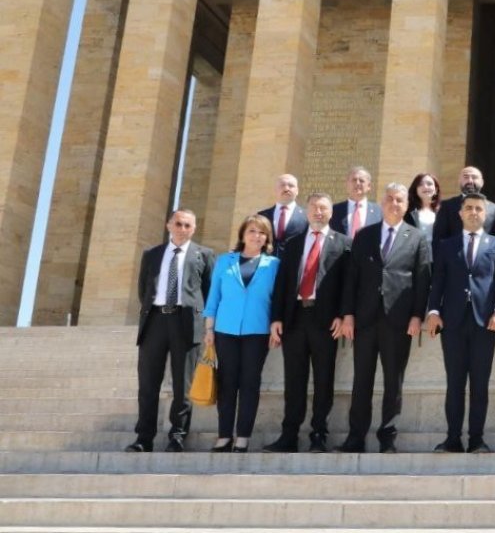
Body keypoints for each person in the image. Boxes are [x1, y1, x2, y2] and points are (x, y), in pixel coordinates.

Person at [338, 183, 432, 453]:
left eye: (399, 200)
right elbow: (351, 279)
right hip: (365, 320)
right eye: (389, 199)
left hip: (398, 320)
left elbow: (422, 280)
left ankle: (387, 437)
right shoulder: (364, 235)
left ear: (406, 205)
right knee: (361, 381)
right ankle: (356, 437)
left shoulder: (416, 238)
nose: (394, 204)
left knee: (394, 381)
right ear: (381, 202)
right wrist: (348, 315)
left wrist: (417, 315)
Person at [264, 193, 351, 453]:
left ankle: (318, 435)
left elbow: (348, 283)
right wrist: (276, 318)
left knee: (324, 380)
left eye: (324, 208)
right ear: (306, 212)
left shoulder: (344, 243)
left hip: (326, 321)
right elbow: (282, 284)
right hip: (294, 319)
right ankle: (289, 435)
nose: (318, 212)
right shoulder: (292, 243)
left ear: (331, 213)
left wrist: (342, 313)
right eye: (314, 208)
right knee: (294, 381)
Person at [125, 209, 216, 453]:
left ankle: (177, 435)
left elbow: (209, 293)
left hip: (186, 323)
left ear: (194, 228)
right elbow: (143, 289)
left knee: (183, 385)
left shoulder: (204, 255)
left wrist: (207, 325)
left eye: (188, 225)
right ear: (168, 225)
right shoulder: (152, 254)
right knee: (148, 384)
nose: (182, 229)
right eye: (178, 224)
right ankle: (144, 438)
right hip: (155, 321)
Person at [426, 193, 495, 454]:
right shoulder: (446, 245)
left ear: (486, 215)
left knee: (480, 384)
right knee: (454, 383)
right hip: (451, 322)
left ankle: (476, 439)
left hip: (484, 322)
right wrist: (433, 311)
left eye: (479, 209)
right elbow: (437, 281)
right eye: (469, 208)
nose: (474, 212)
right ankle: (453, 438)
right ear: (460, 213)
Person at [203, 214, 281, 452]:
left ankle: (243, 437)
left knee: (249, 383)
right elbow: (214, 296)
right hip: (225, 329)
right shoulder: (225, 261)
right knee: (227, 383)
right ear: (243, 234)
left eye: (262, 232)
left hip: (257, 331)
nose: (256, 236)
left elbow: (277, 299)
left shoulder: (274, 264)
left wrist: (276, 325)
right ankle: (224, 435)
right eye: (252, 231)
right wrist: (209, 328)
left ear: (267, 238)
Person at [433, 166, 495, 245]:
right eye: (466, 177)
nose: (470, 181)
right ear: (459, 181)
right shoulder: (446, 206)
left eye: (474, 177)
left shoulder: (494, 209)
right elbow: (439, 238)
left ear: (482, 182)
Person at [258, 173, 306, 255]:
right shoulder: (262, 215)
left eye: (291, 186)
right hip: (266, 264)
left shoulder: (307, 216)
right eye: (282, 185)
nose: (286, 188)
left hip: (293, 265)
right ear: (276, 190)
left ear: (297, 191)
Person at [331, 166, 383, 238]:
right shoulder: (334, 210)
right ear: (347, 184)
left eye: (361, 180)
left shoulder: (379, 211)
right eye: (354, 180)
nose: (357, 183)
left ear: (369, 186)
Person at [406, 172, 442, 238]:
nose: (425, 187)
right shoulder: (408, 211)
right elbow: (405, 234)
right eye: (420, 184)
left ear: (436, 189)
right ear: (415, 190)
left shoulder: (443, 211)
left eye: (429, 184)